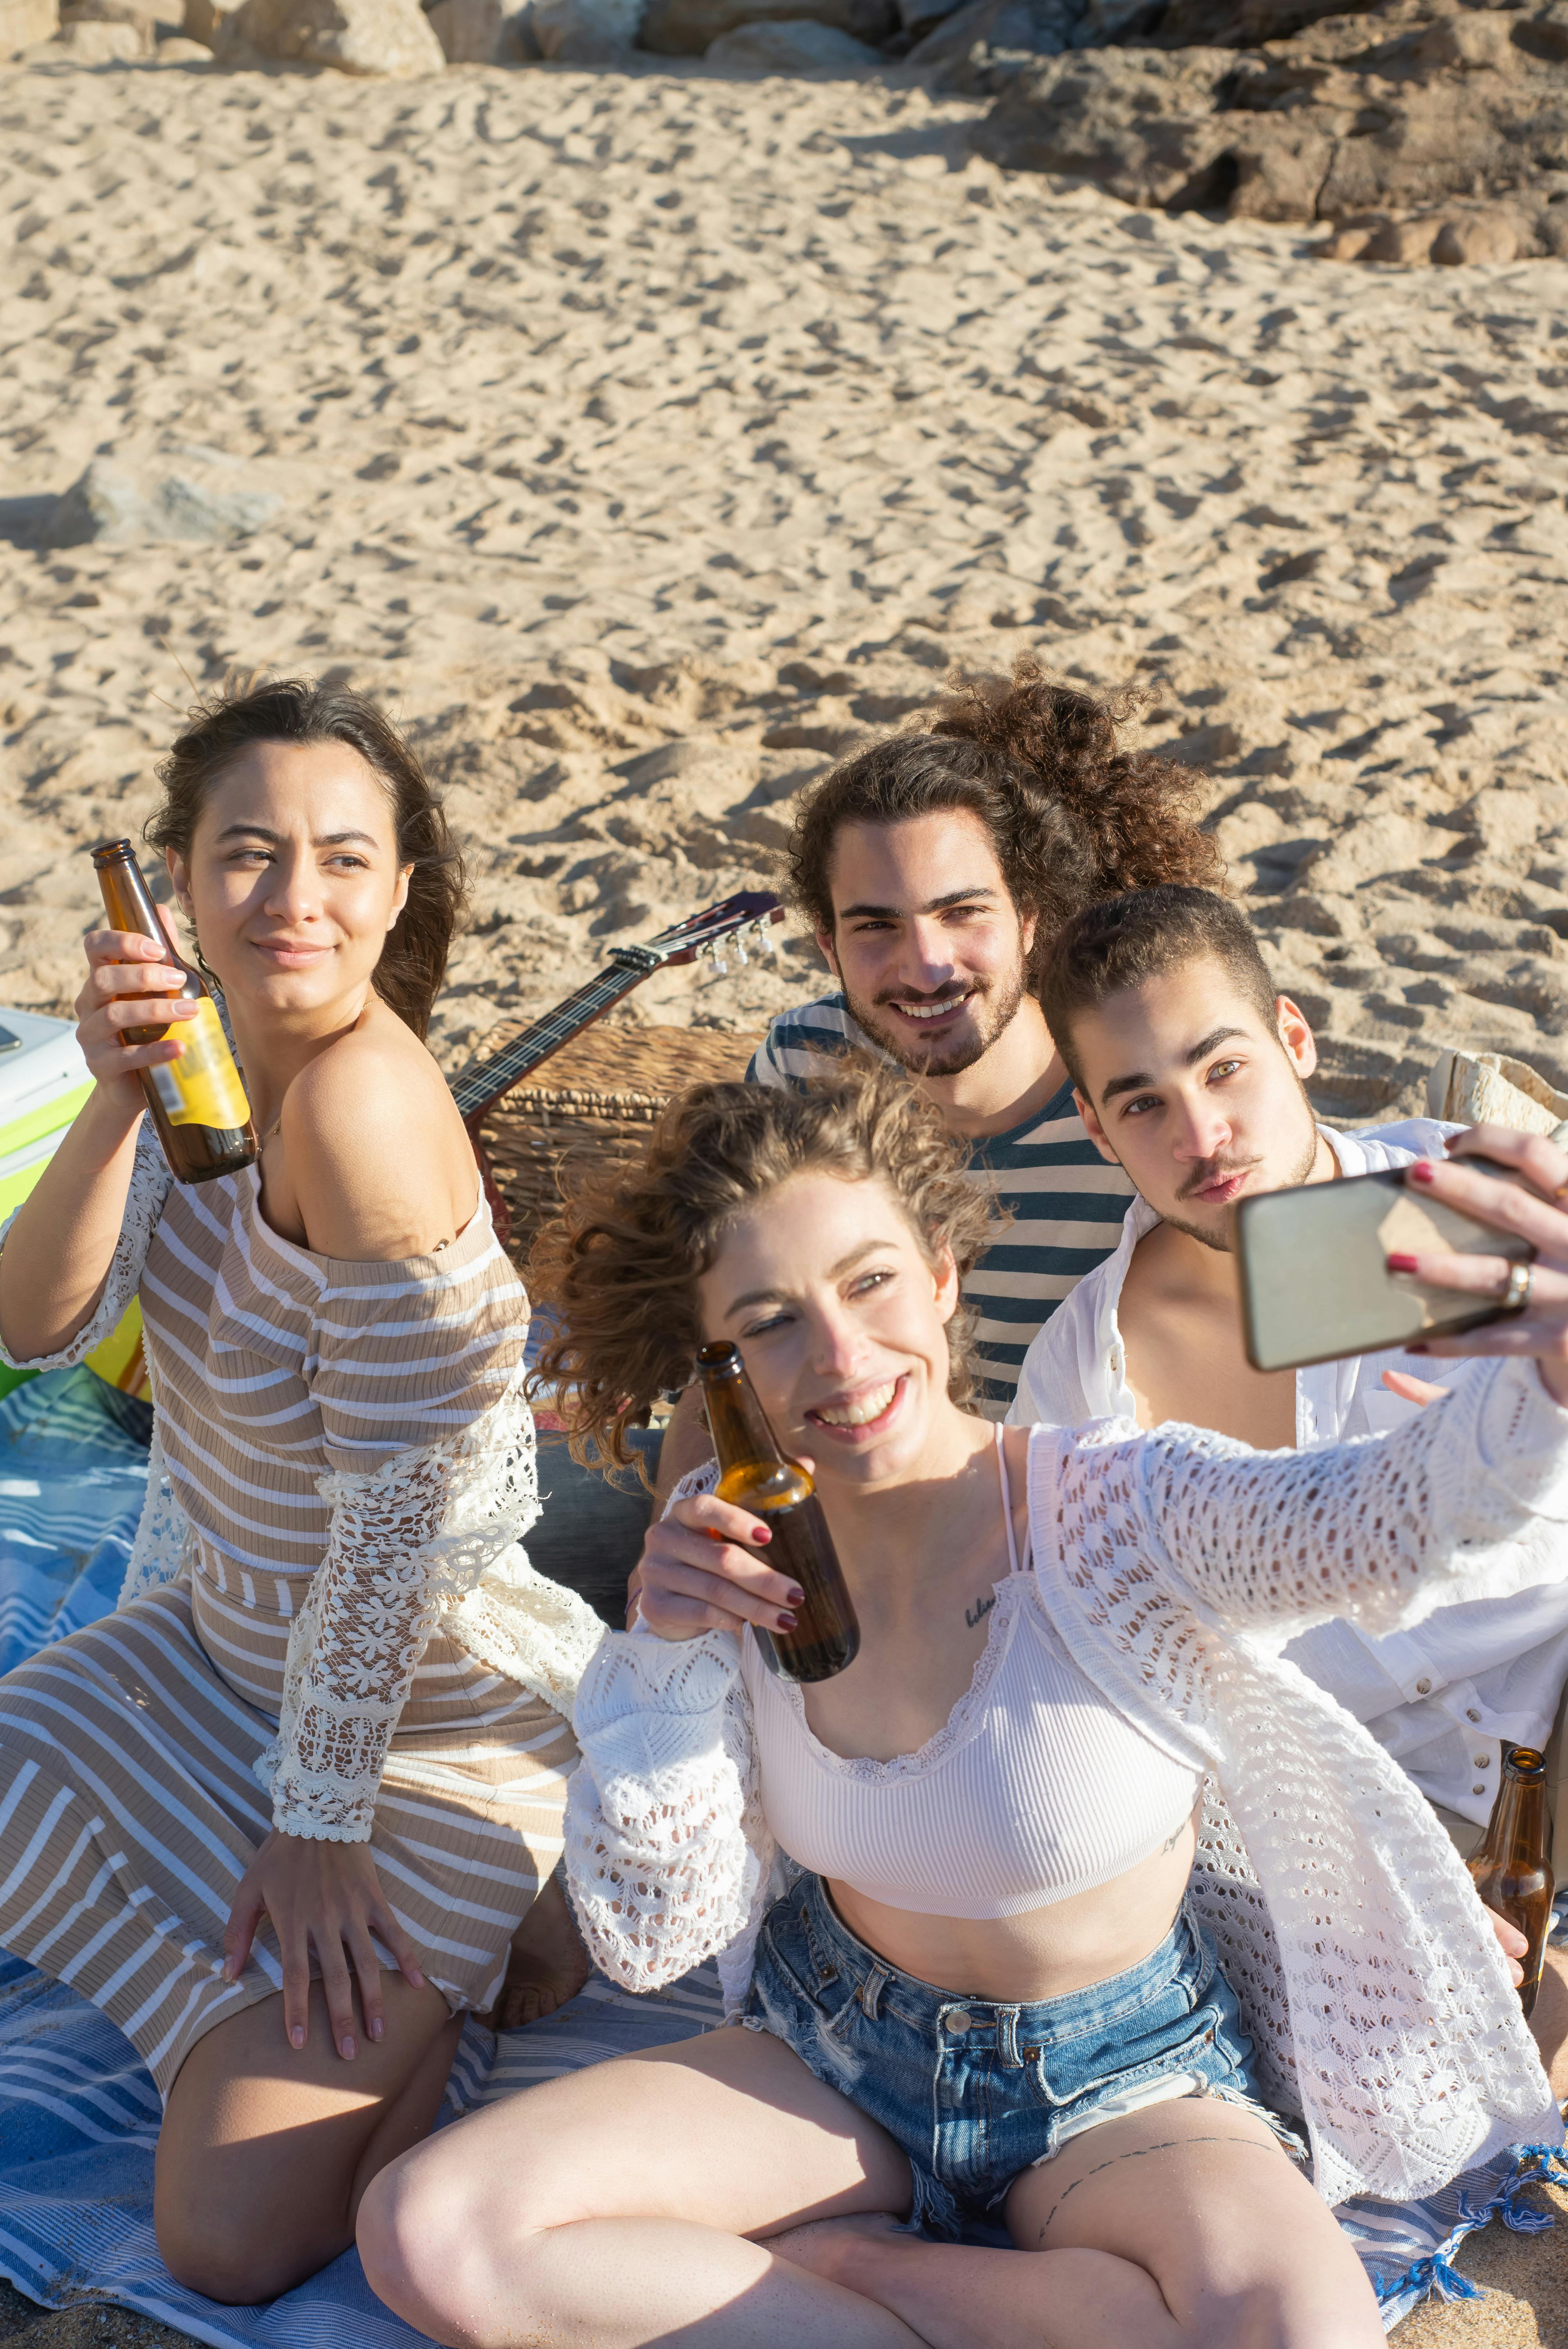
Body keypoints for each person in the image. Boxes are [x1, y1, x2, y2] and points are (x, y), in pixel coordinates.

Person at [358, 1062, 1568, 2349]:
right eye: (769, 1320)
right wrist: (655, 1657)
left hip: (1123, 2076)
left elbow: (1394, 1519)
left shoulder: (1118, 1509)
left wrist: (1546, 1375)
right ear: (716, 1361)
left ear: (939, 1275)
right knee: (430, 2231)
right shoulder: (731, 1553)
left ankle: (879, 2275)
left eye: (867, 1280)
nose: (838, 1352)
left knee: (1302, 2326)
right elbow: (657, 1932)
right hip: (834, 2048)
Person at [0, 681, 605, 2304]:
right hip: (218, 1656)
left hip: (422, 1713)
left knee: (226, 2238)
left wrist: (319, 1823)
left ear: (400, 890)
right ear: (182, 881)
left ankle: (427, 1957)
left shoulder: (359, 1102)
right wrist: (109, 1095)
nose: (295, 897)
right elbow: (37, 1324)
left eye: (343, 858)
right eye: (249, 854)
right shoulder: (202, 1082)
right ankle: (245, 2013)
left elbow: (402, 1516)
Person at [1013, 885, 1568, 2077]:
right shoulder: (1087, 1362)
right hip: (1326, 1814)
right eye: (1142, 1103)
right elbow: (1087, 1663)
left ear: (1296, 1042)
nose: (1199, 1135)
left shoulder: (1462, 1216)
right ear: (1098, 1132)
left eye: (1223, 1070)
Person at [651, 657, 1223, 1499]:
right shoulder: (805, 1063)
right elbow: (724, 1371)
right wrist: (677, 1530)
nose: (924, 966)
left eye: (962, 912)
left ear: (1031, 919)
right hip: (862, 1509)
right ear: (827, 946)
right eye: (876, 926)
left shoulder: (1134, 1093)